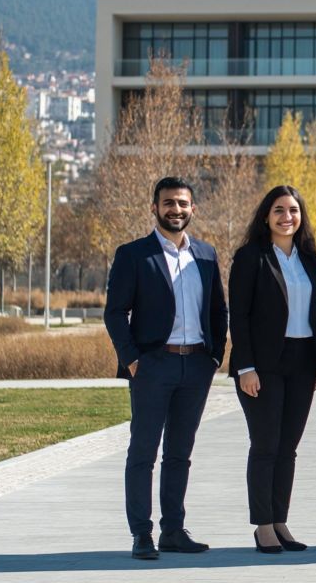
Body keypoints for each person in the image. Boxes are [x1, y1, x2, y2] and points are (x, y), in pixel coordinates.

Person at [104, 176, 228, 560]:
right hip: (152, 366)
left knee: (180, 452)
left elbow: (217, 310)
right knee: (143, 451)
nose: (176, 210)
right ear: (154, 207)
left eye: (183, 203)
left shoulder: (206, 255)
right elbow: (114, 312)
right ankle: (142, 533)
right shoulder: (133, 254)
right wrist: (133, 359)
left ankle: (173, 529)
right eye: (169, 203)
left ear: (193, 209)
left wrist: (214, 356)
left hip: (196, 366)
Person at [228, 185, 316, 553]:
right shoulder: (250, 257)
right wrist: (246, 367)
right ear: (266, 216)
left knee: (289, 447)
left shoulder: (310, 259)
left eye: (294, 210)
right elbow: (238, 316)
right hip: (263, 366)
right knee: (266, 445)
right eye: (279, 210)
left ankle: (280, 520)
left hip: (303, 362)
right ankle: (262, 525)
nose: (287, 217)